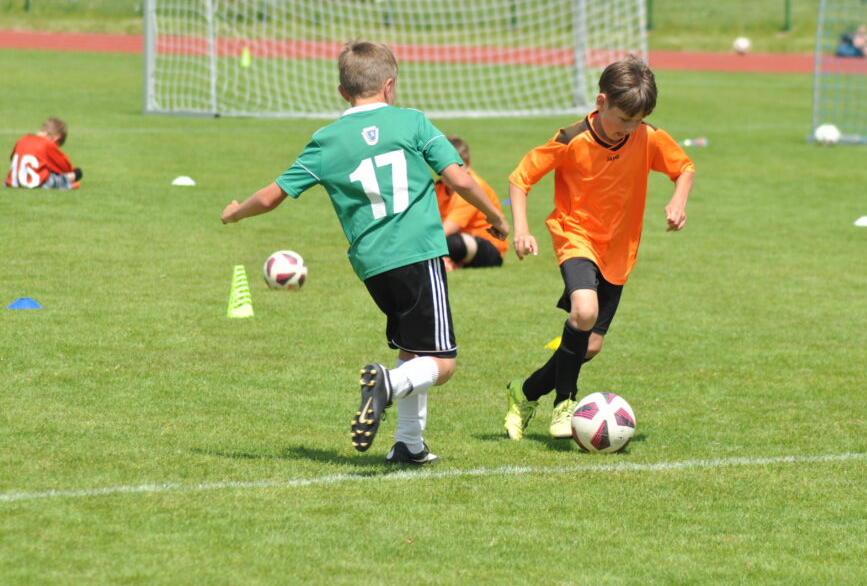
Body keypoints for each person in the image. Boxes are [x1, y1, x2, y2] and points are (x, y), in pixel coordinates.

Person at [221, 41, 509, 464]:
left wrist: (235, 213)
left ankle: (409, 444)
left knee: (412, 348)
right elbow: (461, 179)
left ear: (343, 92)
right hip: (417, 253)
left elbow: (270, 197)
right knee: (442, 363)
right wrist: (497, 219)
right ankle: (388, 385)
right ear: (390, 85)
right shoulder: (412, 122)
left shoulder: (326, 140)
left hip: (373, 265)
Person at [503, 55, 695, 440]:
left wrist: (678, 202)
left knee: (589, 345)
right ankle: (565, 402)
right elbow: (520, 179)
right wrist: (521, 229)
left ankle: (524, 393)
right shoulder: (571, 139)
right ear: (601, 102)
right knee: (585, 310)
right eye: (624, 119)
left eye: (638, 121)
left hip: (619, 250)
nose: (630, 128)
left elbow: (684, 168)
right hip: (575, 235)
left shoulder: (647, 136)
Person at [434, 135, 508, 269]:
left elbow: (446, 230)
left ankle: (446, 261)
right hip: (453, 239)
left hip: (487, 245)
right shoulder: (438, 187)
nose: (451, 174)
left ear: (467, 165)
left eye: (457, 167)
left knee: (453, 243)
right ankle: (448, 262)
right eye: (446, 168)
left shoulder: (471, 189)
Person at [5, 117, 82, 190]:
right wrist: (76, 173)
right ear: (56, 138)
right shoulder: (47, 144)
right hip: (37, 183)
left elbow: (12, 158)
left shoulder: (23, 139)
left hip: (12, 182)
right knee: (75, 174)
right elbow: (66, 169)